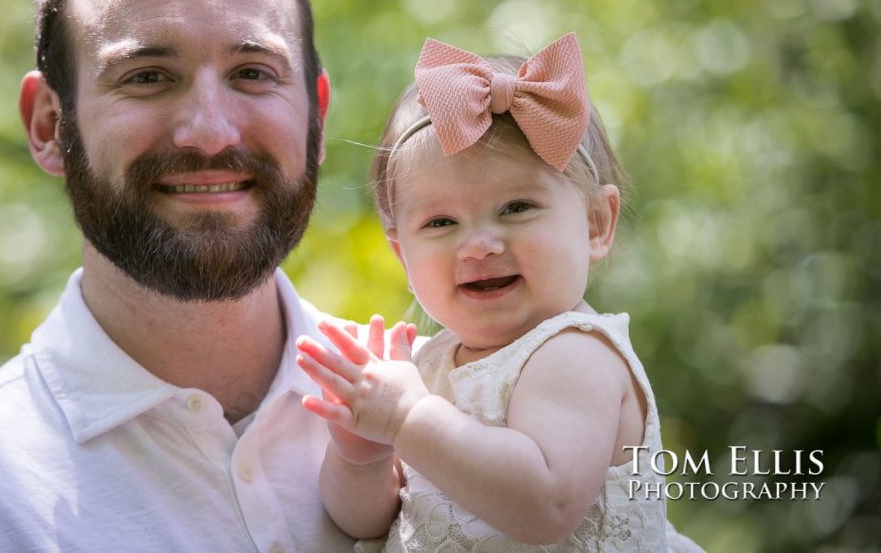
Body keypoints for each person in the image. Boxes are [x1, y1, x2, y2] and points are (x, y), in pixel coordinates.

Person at [0, 0, 355, 551]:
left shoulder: (464, 405)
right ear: (50, 124)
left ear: (316, 116)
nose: (210, 134)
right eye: (148, 76)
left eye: (252, 72)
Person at [295, 34, 704, 550]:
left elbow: (544, 506)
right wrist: (364, 458)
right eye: (441, 221)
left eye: (516, 208)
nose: (480, 245)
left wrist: (406, 418)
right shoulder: (430, 368)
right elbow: (367, 525)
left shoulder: (575, 352)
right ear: (402, 256)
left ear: (597, 223)